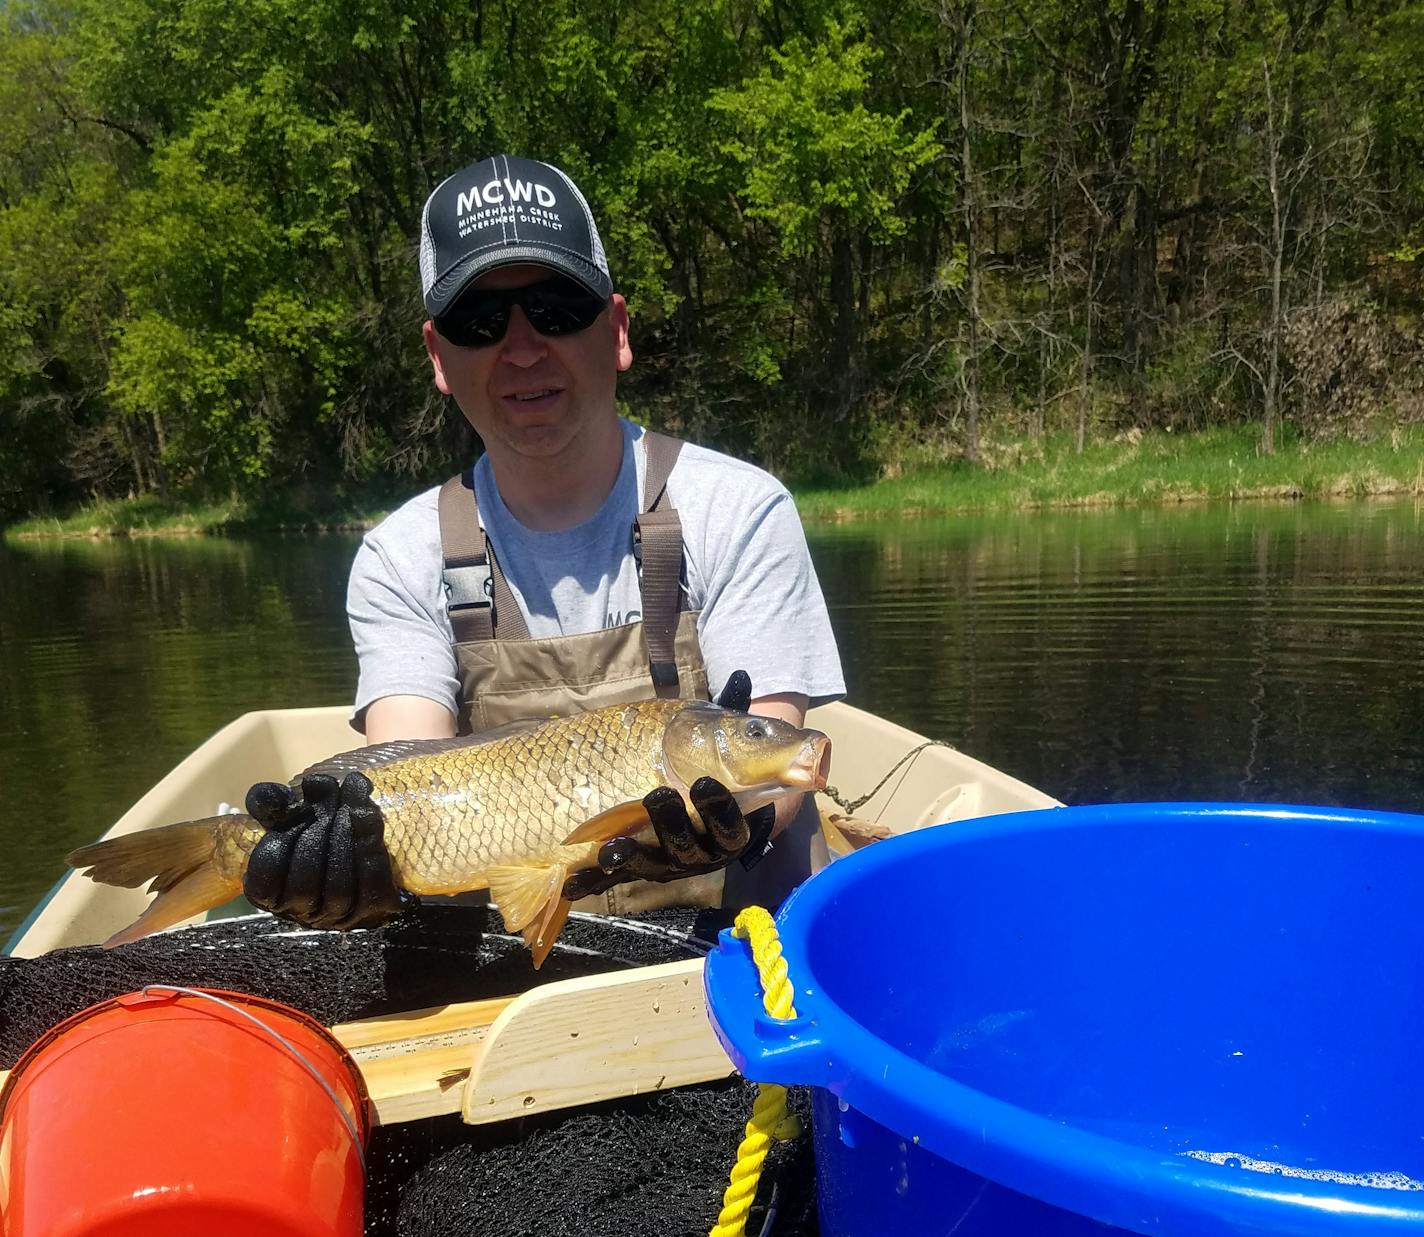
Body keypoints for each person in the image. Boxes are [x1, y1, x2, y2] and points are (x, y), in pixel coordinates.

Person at [241, 152, 844, 931]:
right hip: (517, 962)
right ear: (438, 358)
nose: (522, 348)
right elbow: (407, 776)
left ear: (617, 330)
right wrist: (348, 862)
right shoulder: (401, 556)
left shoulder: (739, 506)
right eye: (479, 323)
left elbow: (779, 769)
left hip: (739, 945)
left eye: (557, 307)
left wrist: (747, 819)